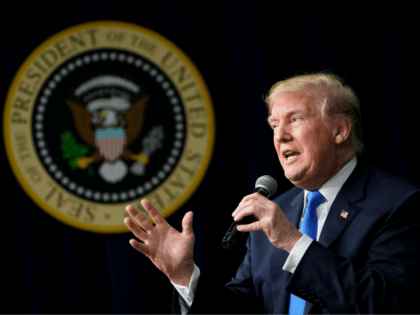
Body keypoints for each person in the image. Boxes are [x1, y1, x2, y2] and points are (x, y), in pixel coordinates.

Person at [124, 72, 420, 314]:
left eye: (296, 119)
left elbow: (385, 303)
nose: (280, 136)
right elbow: (245, 309)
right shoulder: (277, 212)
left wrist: (293, 241)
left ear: (340, 130)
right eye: (275, 125)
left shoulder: (399, 203)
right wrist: (184, 276)